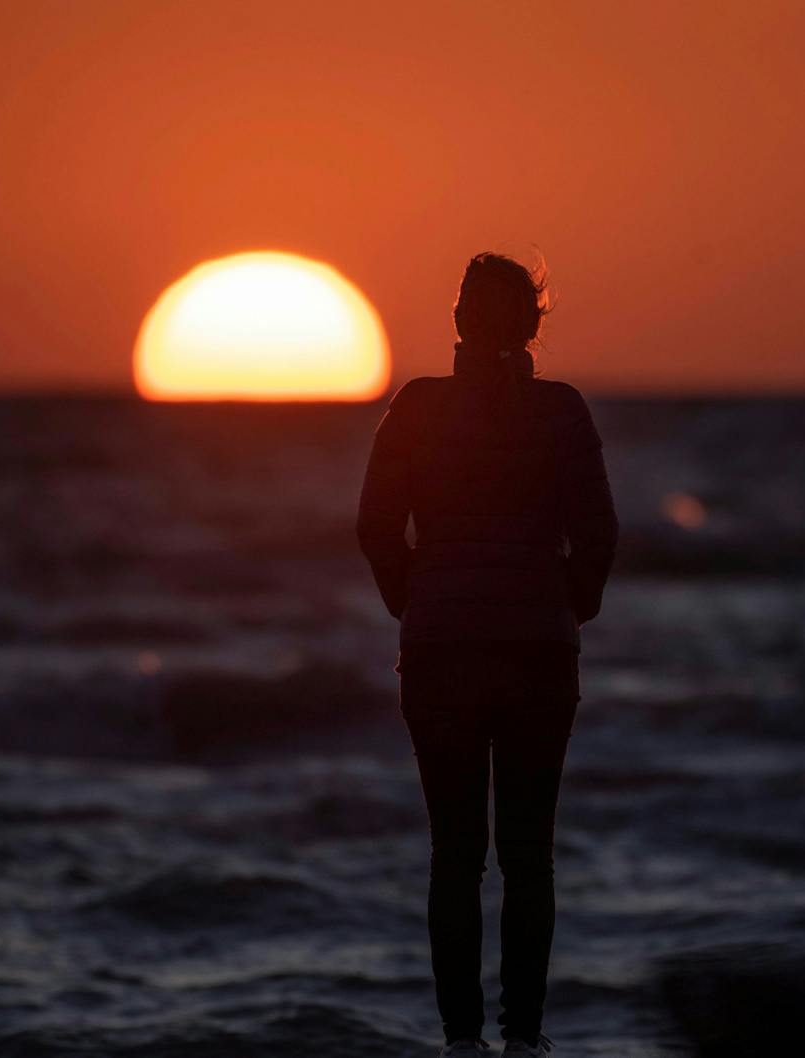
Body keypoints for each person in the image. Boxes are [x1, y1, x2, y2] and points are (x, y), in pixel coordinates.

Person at [357, 252, 618, 1057]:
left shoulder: (418, 407)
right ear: (533, 325)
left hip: (440, 650)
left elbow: (374, 527)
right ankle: (524, 1040)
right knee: (528, 857)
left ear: (460, 322)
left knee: (456, 856)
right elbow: (598, 532)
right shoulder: (561, 412)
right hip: (539, 648)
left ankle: (461, 1042)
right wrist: (569, 604)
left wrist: (417, 599)